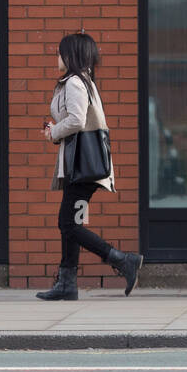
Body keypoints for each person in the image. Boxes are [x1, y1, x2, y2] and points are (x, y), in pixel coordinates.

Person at [37, 32, 144, 300]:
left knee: (69, 224)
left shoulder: (74, 83)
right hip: (81, 164)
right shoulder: (83, 81)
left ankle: (122, 260)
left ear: (71, 55)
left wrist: (54, 132)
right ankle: (67, 283)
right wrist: (56, 130)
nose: (57, 57)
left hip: (82, 167)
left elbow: (76, 120)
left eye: (60, 53)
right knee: (70, 223)